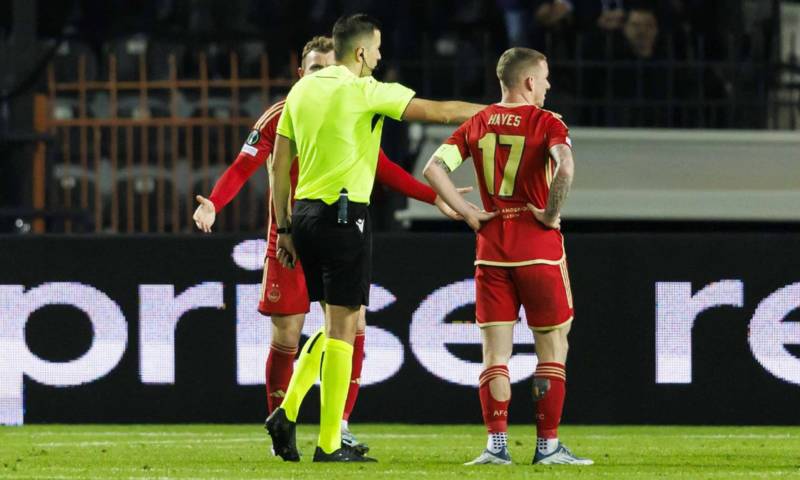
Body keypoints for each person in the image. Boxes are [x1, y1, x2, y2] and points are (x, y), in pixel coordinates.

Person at [192, 35, 469, 458]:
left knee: (350, 328)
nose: (324, 75)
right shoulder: (282, 114)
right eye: (315, 69)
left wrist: (436, 198)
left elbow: (383, 168)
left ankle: (336, 426)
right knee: (289, 334)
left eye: (329, 67)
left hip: (314, 226)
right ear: (301, 74)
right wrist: (214, 201)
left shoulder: (350, 106)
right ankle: (282, 426)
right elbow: (244, 165)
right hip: (291, 236)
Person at [267, 13, 490, 462]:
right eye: (379, 48)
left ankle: (287, 412)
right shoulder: (366, 90)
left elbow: (277, 165)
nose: (382, 56)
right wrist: (502, 113)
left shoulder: (301, 89)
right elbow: (442, 111)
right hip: (345, 216)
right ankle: (328, 443)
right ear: (362, 52)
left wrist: (285, 228)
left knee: (334, 326)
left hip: (304, 217)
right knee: (346, 328)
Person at [423, 47, 593, 466]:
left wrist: (466, 213)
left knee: (495, 355)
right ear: (529, 81)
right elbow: (566, 168)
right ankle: (547, 446)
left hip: (491, 247)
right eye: (546, 77)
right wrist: (551, 214)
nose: (549, 85)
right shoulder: (546, 122)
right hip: (537, 249)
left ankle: (496, 447)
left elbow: (432, 168)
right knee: (551, 347)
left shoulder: (477, 123)